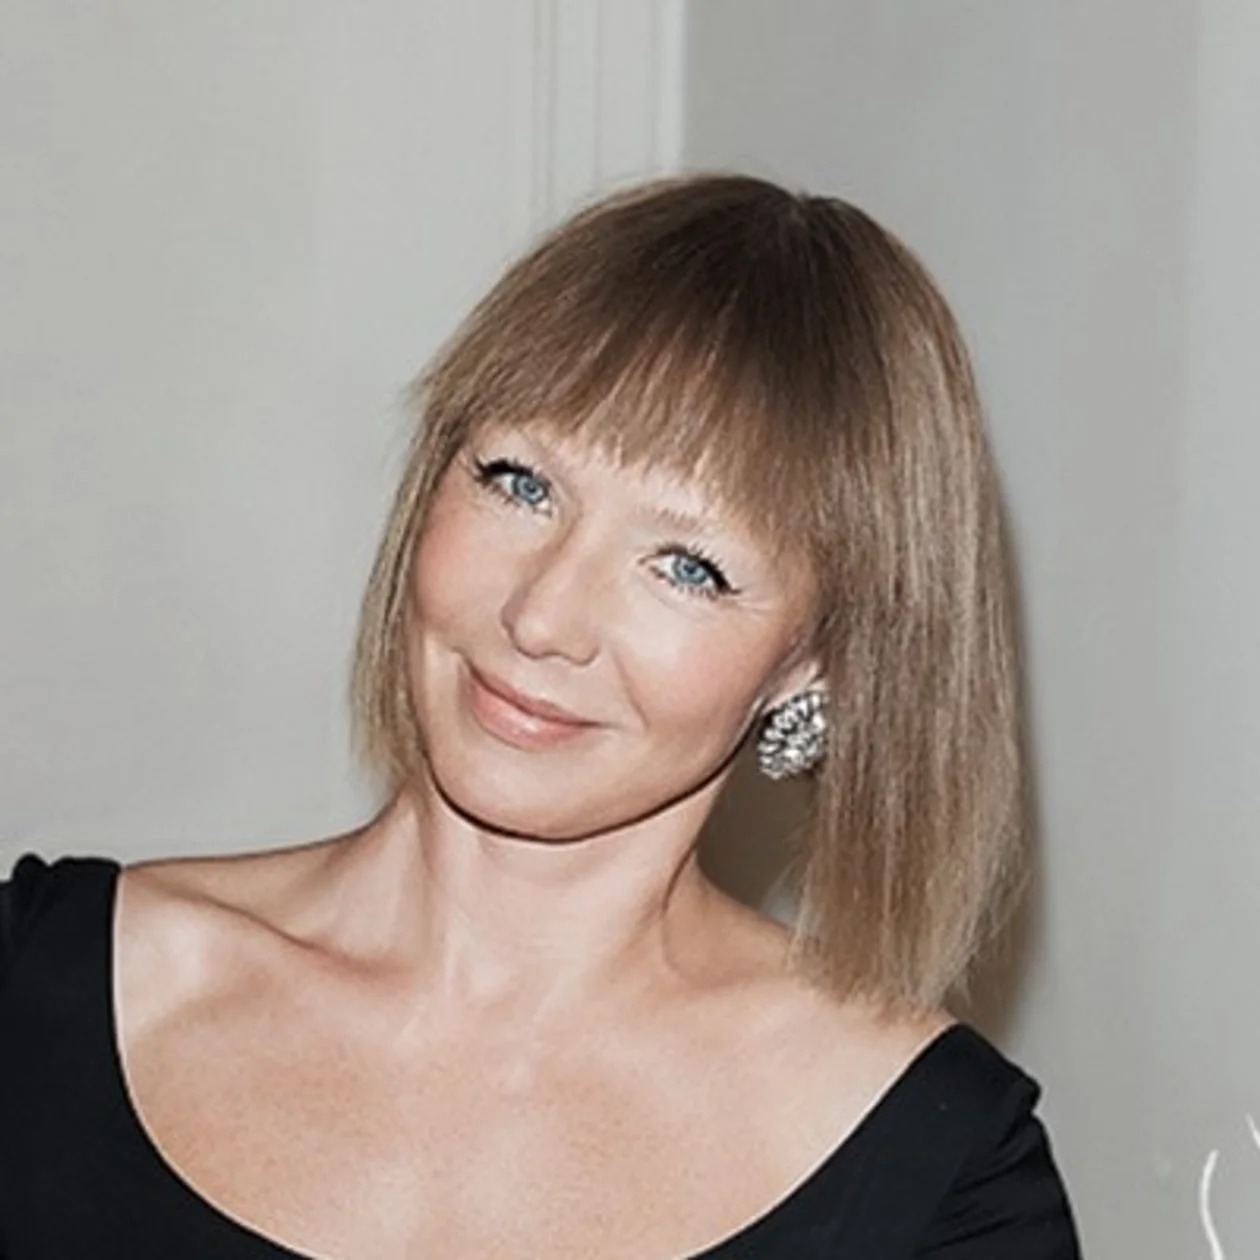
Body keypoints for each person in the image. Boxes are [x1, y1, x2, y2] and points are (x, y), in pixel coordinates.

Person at [0, 174, 1080, 1257]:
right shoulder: (39, 988)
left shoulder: (941, 1179)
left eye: (688, 567)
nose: (542, 616)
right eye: (521, 484)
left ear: (821, 662)